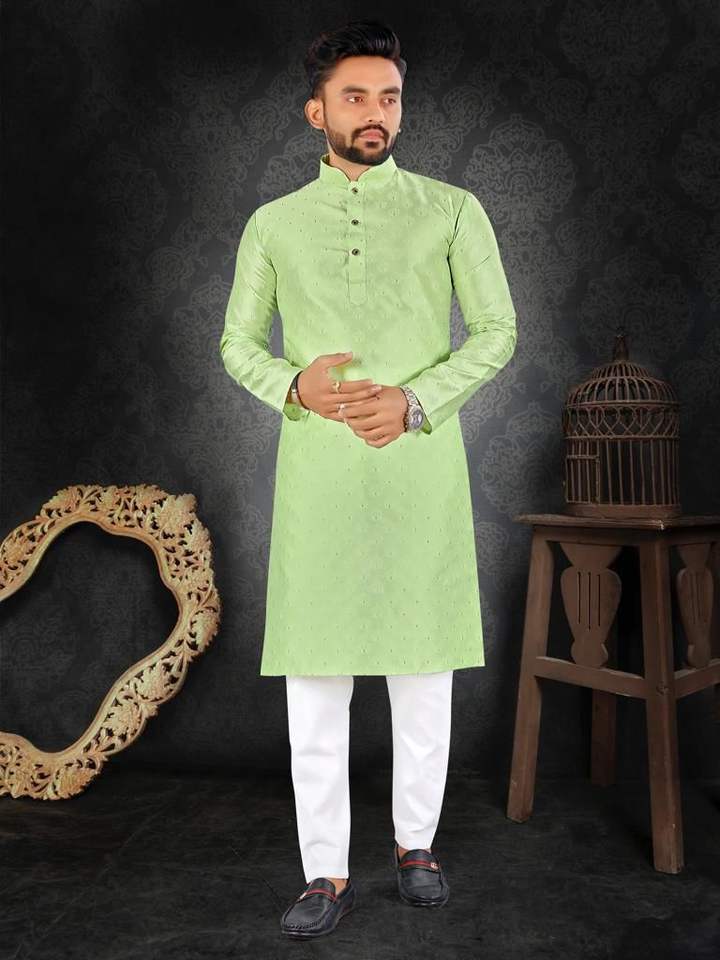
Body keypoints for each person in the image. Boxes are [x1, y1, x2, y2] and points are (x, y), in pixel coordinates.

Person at [220, 19, 517, 940]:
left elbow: (497, 331)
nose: (375, 112)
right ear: (316, 112)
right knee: (316, 679)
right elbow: (237, 344)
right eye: (355, 96)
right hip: (318, 479)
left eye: (388, 96)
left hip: (419, 471)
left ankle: (416, 848)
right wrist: (293, 386)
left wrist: (417, 402)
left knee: (422, 671)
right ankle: (326, 871)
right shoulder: (273, 225)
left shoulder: (452, 210)